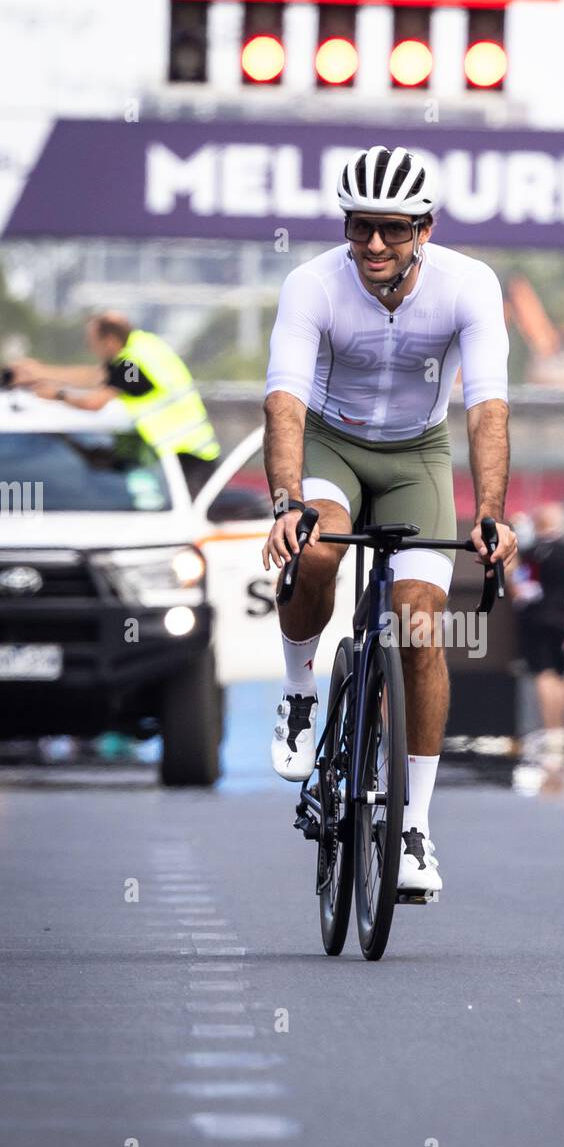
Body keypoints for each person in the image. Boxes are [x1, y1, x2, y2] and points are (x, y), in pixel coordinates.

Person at [260, 145, 515, 898]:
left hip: (418, 458)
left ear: (425, 230)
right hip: (331, 447)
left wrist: (491, 514)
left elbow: (488, 407)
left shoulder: (471, 285)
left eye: (393, 230)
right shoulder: (312, 285)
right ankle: (300, 693)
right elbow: (284, 404)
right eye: (361, 226)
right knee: (314, 554)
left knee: (418, 626)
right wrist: (286, 504)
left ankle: (414, 830)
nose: (374, 244)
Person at [8, 312, 221, 497]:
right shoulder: (145, 346)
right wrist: (40, 373)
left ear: (109, 340)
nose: (91, 349)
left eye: (93, 342)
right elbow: (97, 376)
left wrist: (57, 395)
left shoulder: (131, 362)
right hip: (182, 455)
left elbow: (94, 402)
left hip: (186, 458)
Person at [510, 501, 564, 770]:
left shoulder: (536, 552)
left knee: (544, 673)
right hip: (562, 619)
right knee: (562, 674)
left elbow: (517, 575)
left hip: (537, 619)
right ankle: (561, 729)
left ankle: (551, 731)